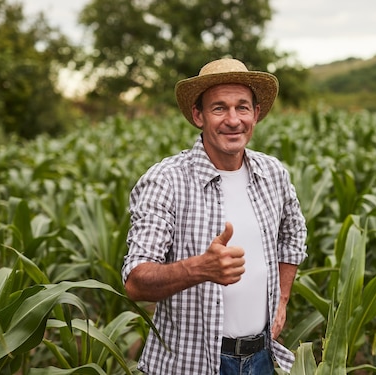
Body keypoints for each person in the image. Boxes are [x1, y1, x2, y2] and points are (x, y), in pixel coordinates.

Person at [122, 58, 307, 375]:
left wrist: (282, 301)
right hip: (191, 364)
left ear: (256, 113)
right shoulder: (166, 181)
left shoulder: (273, 173)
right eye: (219, 108)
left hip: (262, 356)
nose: (233, 120)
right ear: (198, 115)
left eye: (242, 107)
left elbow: (293, 237)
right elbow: (135, 282)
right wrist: (199, 268)